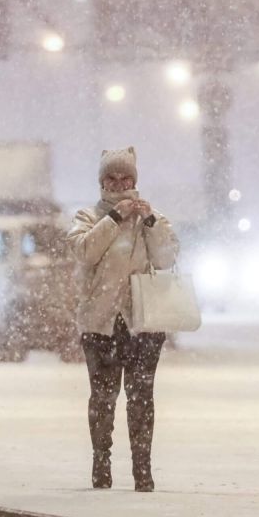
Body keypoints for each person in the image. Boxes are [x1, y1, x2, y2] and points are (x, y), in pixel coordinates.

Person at [67, 147, 179, 492]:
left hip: (142, 322)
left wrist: (149, 222)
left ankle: (142, 471)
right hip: (100, 322)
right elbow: (85, 251)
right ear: (102, 181)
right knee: (102, 397)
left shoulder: (153, 218)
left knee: (141, 396)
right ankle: (102, 464)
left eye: (125, 177)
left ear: (135, 180)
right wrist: (113, 218)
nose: (119, 183)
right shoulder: (88, 216)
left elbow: (166, 258)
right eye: (111, 178)